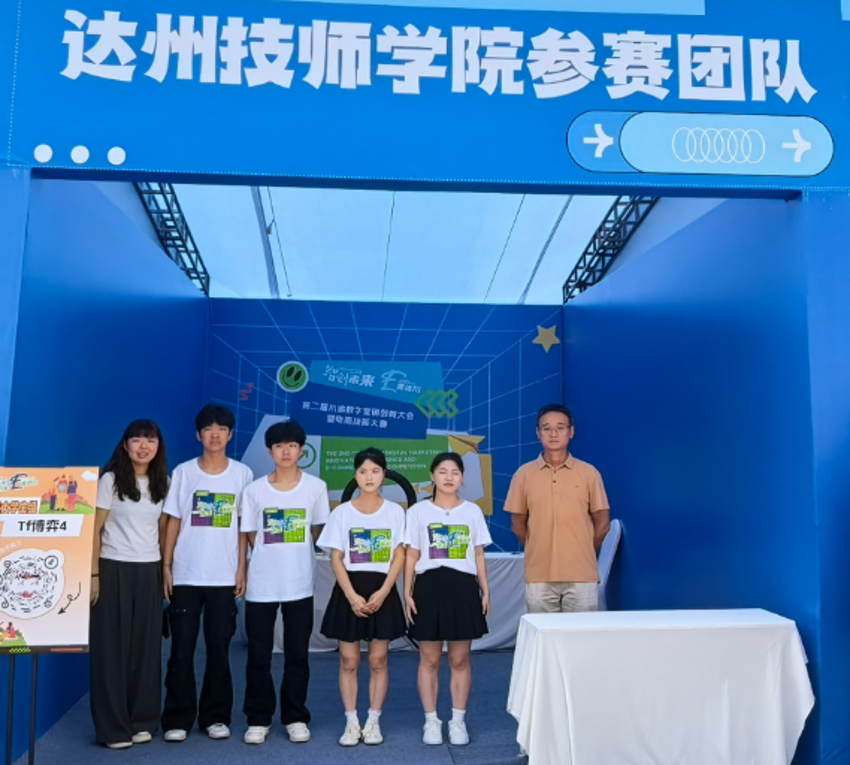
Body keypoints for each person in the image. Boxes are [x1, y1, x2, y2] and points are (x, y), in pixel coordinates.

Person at [161, 404, 254, 743]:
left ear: (230, 435)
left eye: (222, 429)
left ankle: (215, 717)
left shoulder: (242, 474)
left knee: (219, 649)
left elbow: (244, 526)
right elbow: (173, 521)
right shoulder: (184, 473)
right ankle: (177, 717)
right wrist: (166, 566)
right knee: (181, 649)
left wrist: (242, 568)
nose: (215, 434)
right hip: (186, 573)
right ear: (198, 435)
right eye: (208, 429)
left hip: (224, 576)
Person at [240, 420, 330, 746]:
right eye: (279, 446)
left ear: (301, 450)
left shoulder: (315, 487)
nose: (286, 451)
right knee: (258, 655)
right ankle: (258, 718)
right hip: (261, 585)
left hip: (299, 583)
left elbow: (318, 530)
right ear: (270, 451)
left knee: (297, 655)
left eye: (292, 445)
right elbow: (250, 535)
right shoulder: (254, 490)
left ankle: (295, 717)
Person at [318, 447, 406, 747]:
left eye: (375, 471)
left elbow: (399, 555)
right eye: (363, 471)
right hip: (349, 591)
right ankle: (351, 721)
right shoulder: (342, 513)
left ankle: (373, 721)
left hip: (383, 590)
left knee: (378, 660)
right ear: (355, 475)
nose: (369, 477)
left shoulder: (395, 512)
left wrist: (384, 591)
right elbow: (336, 558)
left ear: (384, 474)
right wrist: (352, 596)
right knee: (349, 660)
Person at [90, 419, 169, 750]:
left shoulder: (163, 482)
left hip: (149, 570)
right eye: (136, 440)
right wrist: (94, 575)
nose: (143, 446)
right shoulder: (110, 480)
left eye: (150, 440)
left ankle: (142, 721)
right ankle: (113, 728)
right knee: (111, 650)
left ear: (158, 446)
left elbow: (163, 532)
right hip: (113, 568)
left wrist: (166, 572)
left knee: (146, 649)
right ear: (125, 445)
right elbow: (94, 530)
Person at [404, 453, 491, 747]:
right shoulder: (418, 512)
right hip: (428, 587)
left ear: (462, 477)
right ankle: (431, 720)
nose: (449, 477)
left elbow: (478, 553)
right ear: (432, 476)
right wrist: (407, 592)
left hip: (463, 587)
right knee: (429, 659)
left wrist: (485, 590)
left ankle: (457, 720)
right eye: (442, 471)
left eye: (455, 472)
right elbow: (412, 554)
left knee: (459, 658)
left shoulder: (472, 512)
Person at [505, 404, 611, 614]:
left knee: (581, 632)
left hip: (581, 575)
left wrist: (582, 548)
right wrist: (538, 547)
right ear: (538, 433)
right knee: (544, 633)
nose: (553, 434)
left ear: (571, 432)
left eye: (560, 428)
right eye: (547, 428)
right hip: (539, 576)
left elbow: (603, 524)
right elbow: (518, 525)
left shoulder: (589, 473)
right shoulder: (523, 475)